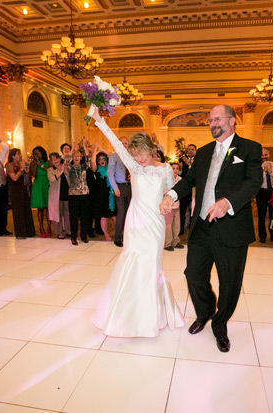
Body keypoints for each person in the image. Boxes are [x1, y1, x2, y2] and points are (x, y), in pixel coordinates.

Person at [160, 104, 262, 353]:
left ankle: (220, 324)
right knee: (193, 274)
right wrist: (170, 194)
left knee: (230, 282)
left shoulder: (249, 148)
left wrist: (227, 203)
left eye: (217, 119)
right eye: (209, 120)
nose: (212, 123)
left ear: (232, 120)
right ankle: (205, 312)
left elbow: (253, 181)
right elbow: (190, 180)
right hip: (202, 227)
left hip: (232, 226)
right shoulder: (204, 153)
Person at [90, 105, 184, 337]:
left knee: (151, 263)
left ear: (151, 150)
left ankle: (150, 314)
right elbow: (115, 142)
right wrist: (99, 121)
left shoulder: (164, 170)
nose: (138, 159)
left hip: (155, 223)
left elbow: (172, 194)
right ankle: (127, 312)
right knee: (132, 261)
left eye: (141, 154)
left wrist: (172, 202)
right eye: (135, 155)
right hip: (135, 221)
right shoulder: (133, 166)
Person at [5, 148, 36, 239]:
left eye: (20, 154)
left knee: (26, 208)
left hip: (24, 188)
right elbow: (14, 178)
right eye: (18, 154)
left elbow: (28, 174)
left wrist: (26, 168)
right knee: (18, 210)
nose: (20, 156)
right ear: (13, 156)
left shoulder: (23, 163)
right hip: (15, 190)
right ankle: (20, 233)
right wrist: (21, 169)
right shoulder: (9, 165)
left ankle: (29, 232)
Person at [64, 149, 92, 245]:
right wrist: (72, 149)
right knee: (74, 217)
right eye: (75, 156)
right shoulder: (70, 168)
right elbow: (66, 161)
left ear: (80, 157)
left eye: (78, 156)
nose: (76, 158)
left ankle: (83, 235)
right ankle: (73, 237)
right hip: (73, 195)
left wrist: (84, 147)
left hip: (84, 194)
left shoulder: (84, 167)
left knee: (84, 217)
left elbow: (88, 159)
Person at [108, 135, 131, 247]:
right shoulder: (114, 157)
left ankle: (127, 236)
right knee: (121, 212)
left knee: (130, 213)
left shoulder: (131, 156)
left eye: (126, 143)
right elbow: (110, 174)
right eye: (122, 143)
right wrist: (115, 188)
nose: (124, 145)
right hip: (120, 187)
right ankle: (117, 237)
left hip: (131, 187)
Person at [255, 147, 273, 244]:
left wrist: (271, 170)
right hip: (261, 192)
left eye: (266, 154)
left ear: (269, 155)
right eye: (262, 155)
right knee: (261, 215)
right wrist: (262, 167)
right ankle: (262, 236)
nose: (264, 157)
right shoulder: (256, 166)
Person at [91, 149, 116, 241]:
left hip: (110, 195)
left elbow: (113, 156)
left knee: (114, 216)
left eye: (104, 159)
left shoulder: (110, 167)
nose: (102, 161)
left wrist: (101, 149)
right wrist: (95, 151)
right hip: (100, 195)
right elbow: (92, 162)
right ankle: (106, 235)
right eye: (100, 159)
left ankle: (117, 232)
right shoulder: (96, 169)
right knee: (103, 216)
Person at [29, 146, 50, 237]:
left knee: (48, 208)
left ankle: (49, 226)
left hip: (47, 184)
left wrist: (40, 164)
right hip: (38, 185)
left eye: (38, 153)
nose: (36, 155)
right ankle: (41, 228)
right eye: (34, 153)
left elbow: (50, 171)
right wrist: (34, 164)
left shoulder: (48, 162)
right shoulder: (33, 163)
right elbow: (33, 174)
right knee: (40, 208)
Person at [164, 162, 183, 251]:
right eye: (173, 168)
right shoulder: (166, 178)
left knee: (176, 224)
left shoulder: (180, 179)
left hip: (177, 204)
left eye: (177, 168)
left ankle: (175, 241)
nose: (175, 170)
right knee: (168, 224)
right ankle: (167, 243)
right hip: (168, 204)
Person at [178, 143, 197, 235]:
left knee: (193, 209)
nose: (190, 151)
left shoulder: (198, 160)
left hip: (194, 189)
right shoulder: (181, 160)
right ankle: (180, 230)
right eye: (189, 149)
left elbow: (197, 173)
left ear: (195, 151)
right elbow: (180, 174)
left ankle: (192, 230)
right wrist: (180, 168)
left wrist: (189, 165)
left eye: (192, 149)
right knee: (182, 209)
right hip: (185, 189)